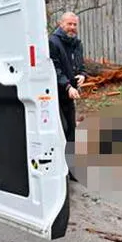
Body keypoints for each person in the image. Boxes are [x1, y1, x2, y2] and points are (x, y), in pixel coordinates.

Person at [49, 11, 87, 147]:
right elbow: (55, 69)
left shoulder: (76, 43)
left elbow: (81, 64)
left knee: (72, 130)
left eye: (75, 24)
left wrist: (83, 74)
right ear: (61, 24)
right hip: (56, 94)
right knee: (62, 130)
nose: (72, 27)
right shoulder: (53, 42)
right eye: (69, 24)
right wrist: (67, 86)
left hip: (71, 94)